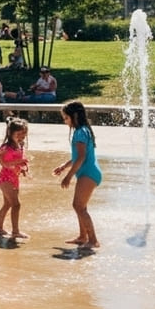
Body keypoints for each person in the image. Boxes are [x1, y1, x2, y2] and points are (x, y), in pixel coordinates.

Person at [53, 100, 101, 248]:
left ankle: (93, 240)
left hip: (88, 173)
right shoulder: (84, 130)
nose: (65, 121)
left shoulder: (80, 133)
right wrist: (64, 166)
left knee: (78, 206)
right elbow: (77, 156)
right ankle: (82, 236)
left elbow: (81, 158)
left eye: (66, 118)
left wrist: (68, 177)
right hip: (88, 172)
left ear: (74, 116)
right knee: (81, 206)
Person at [0, 119, 30, 239]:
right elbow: (3, 163)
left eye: (23, 135)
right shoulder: (5, 147)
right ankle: (15, 231)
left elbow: (15, 164)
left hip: (14, 178)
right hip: (5, 179)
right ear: (10, 133)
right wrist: (19, 161)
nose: (21, 137)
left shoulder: (18, 146)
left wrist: (22, 169)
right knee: (16, 204)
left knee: (7, 204)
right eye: (18, 134)